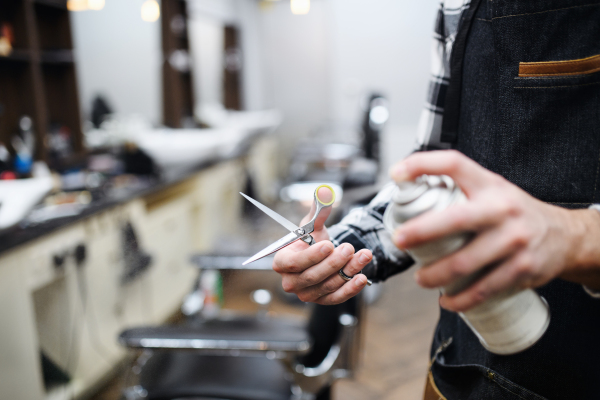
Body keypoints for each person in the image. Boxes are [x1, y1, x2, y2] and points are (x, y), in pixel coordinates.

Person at [273, 0, 600, 399]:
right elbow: (428, 170)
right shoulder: (455, 6)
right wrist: (349, 248)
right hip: (460, 360)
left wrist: (577, 237)